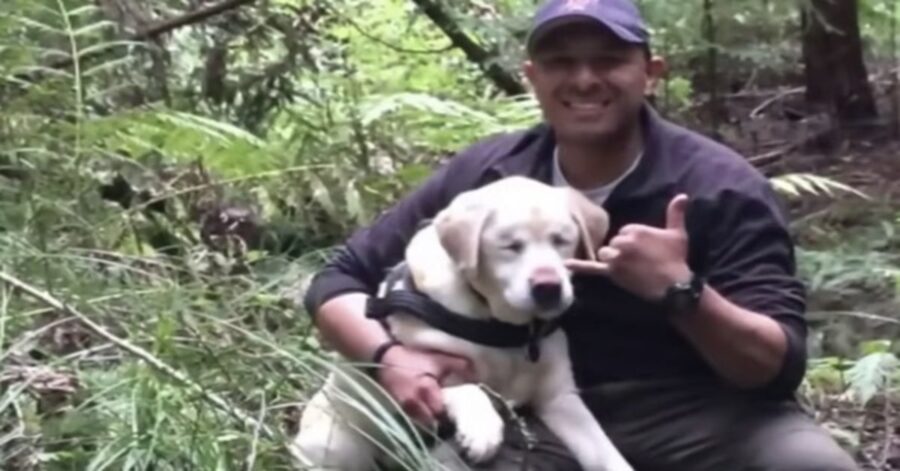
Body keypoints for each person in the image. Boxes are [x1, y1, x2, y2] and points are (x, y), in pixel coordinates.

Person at [301, 0, 861, 469]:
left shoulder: (718, 187)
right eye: (560, 61)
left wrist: (683, 291)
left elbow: (776, 366)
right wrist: (390, 356)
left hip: (701, 408)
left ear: (650, 71)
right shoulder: (485, 179)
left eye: (609, 60)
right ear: (533, 78)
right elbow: (337, 280)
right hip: (536, 414)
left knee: (812, 465)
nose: (584, 79)